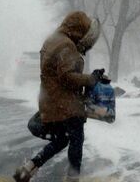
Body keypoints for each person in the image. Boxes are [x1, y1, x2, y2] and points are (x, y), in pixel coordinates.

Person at [13, 11, 104, 182]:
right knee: (76, 140)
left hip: (52, 102)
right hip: (66, 106)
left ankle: (28, 168)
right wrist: (90, 79)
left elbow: (58, 75)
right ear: (78, 29)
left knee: (62, 139)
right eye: (84, 33)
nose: (85, 39)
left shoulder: (53, 40)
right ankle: (72, 179)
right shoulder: (66, 45)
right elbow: (66, 76)